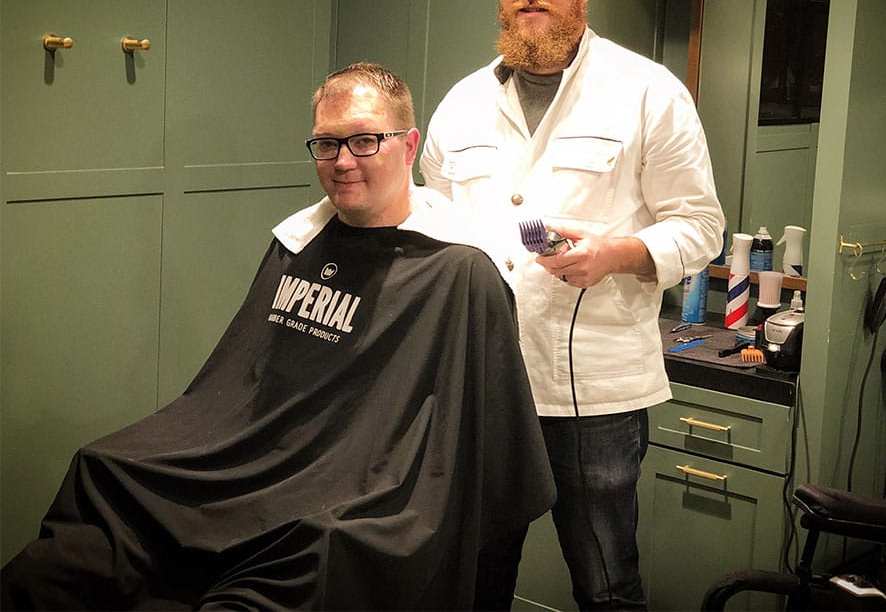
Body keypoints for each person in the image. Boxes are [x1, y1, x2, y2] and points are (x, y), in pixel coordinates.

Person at [2, 62, 555, 610]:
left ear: (409, 147)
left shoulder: (460, 272)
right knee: (100, 487)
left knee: (317, 558)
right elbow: (238, 390)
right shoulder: (298, 244)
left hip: (350, 506)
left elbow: (482, 462)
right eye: (326, 144)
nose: (342, 162)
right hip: (252, 479)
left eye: (364, 141)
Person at [420, 0, 725, 610]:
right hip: (484, 377)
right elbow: (432, 219)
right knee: (475, 575)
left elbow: (702, 226)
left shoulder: (647, 93)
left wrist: (621, 252)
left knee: (607, 582)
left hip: (594, 390)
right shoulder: (463, 103)